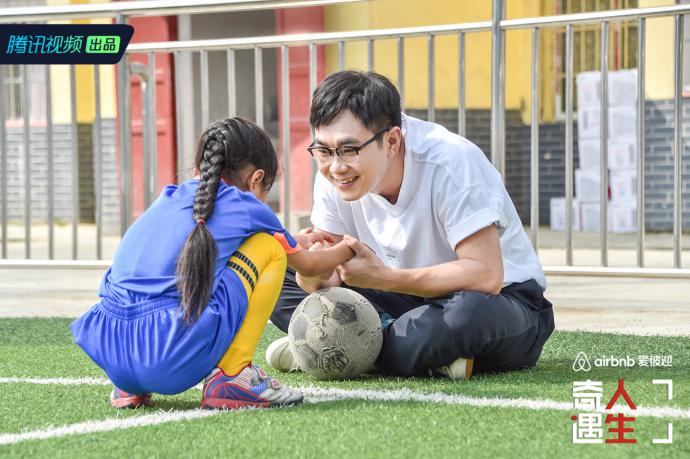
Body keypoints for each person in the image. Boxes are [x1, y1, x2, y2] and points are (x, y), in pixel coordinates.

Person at [267, 71, 555, 379]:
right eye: (323, 151)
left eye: (349, 150)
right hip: (398, 298)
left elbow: (486, 276)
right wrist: (312, 270)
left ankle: (334, 348)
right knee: (273, 271)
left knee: (466, 315)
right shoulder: (334, 175)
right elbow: (331, 279)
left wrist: (385, 278)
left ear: (391, 141)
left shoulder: (452, 162)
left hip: (499, 300)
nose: (336, 167)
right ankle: (407, 354)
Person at [71, 118, 354, 410]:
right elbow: (310, 267)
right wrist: (348, 249)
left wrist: (294, 240)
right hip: (170, 356)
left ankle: (128, 388)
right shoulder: (246, 206)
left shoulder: (167, 198)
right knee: (270, 249)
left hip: (112, 353)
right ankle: (234, 375)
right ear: (256, 179)